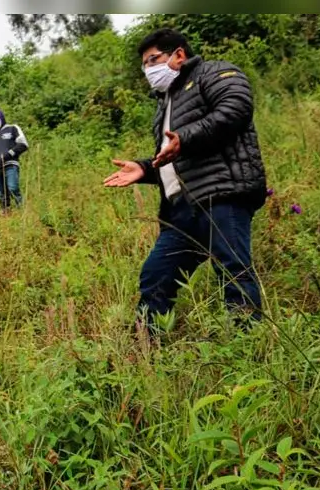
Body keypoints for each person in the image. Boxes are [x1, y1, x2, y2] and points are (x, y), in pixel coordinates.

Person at [103, 28, 268, 335]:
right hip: (181, 210)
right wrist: (144, 168)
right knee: (156, 275)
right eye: (144, 65)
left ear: (179, 54)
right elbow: (175, 156)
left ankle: (250, 347)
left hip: (221, 193)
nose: (148, 70)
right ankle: (145, 351)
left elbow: (237, 107)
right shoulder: (165, 105)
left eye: (153, 59)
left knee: (232, 271)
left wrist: (186, 138)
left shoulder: (214, 72)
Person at [0, 108, 29, 212]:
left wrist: (8, 154)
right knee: (1, 195)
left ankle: (22, 210)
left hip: (10, 165)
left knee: (13, 188)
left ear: (1, 117)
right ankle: (6, 213)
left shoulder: (12, 128)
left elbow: (23, 144)